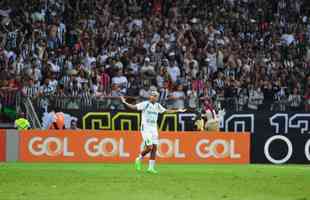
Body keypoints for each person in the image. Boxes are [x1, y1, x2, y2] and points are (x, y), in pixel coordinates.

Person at [120, 91, 186, 174]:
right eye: (151, 95)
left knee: (154, 148)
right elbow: (134, 107)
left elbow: (166, 111)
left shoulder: (158, 106)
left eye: (154, 96)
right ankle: (138, 159)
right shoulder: (145, 104)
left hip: (154, 129)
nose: (152, 97)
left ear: (157, 98)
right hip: (146, 128)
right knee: (149, 147)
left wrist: (178, 110)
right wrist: (124, 102)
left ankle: (150, 168)